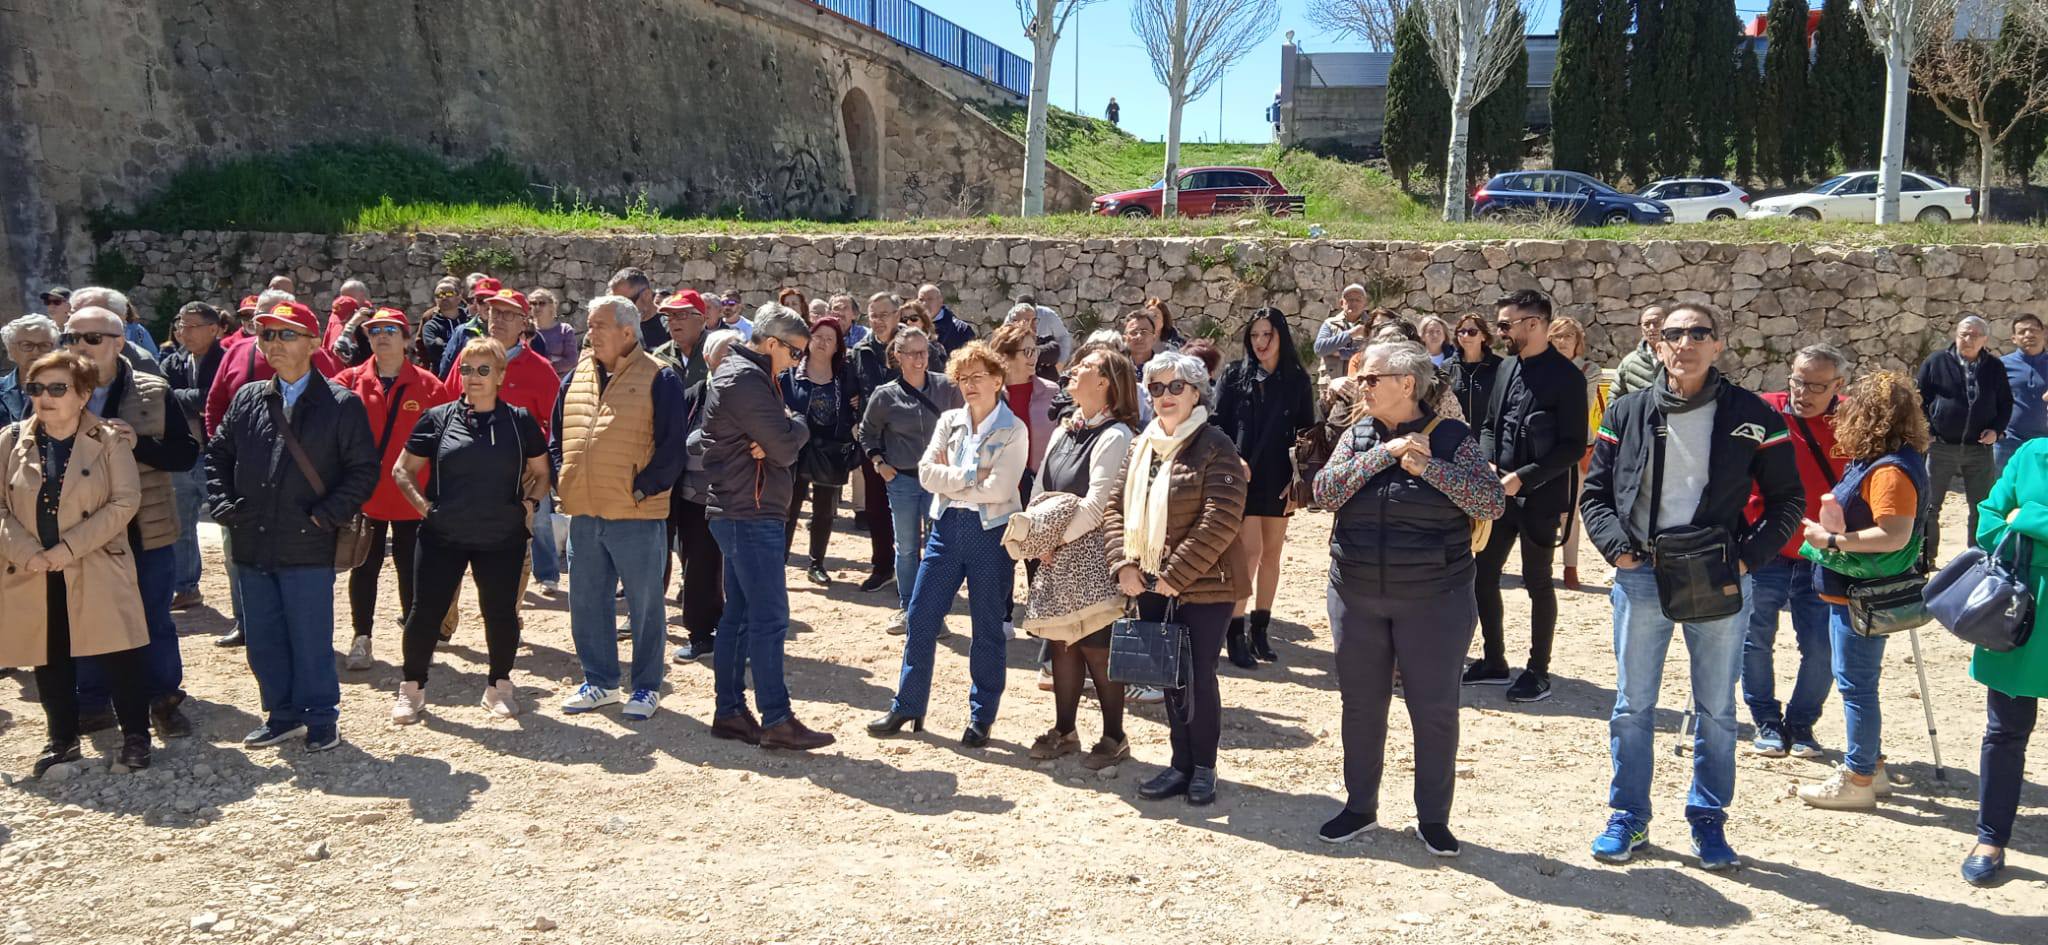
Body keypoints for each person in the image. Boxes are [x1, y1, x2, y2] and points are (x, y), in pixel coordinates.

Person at [1581, 301, 1803, 871]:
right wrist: (1617, 549)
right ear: (1657, 346)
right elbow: (1595, 493)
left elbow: (1788, 501)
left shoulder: (1753, 414)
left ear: (1718, 344)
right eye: (1674, 334)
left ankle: (1708, 818)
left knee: (1717, 710)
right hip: (1643, 577)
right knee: (1633, 706)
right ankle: (1628, 816)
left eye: (1699, 333)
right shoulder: (1627, 411)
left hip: (1718, 577)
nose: (1686, 343)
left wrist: (1746, 561)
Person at [1313, 341, 1506, 855]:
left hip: (1435, 599)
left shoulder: (1453, 438)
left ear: (1407, 384)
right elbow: (1324, 492)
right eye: (1361, 378)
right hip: (1356, 595)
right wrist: (1384, 454)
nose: (1362, 386)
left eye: (1372, 378)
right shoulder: (1358, 434)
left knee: (1434, 709)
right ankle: (1360, 807)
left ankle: (1434, 818)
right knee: (1361, 706)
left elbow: (1491, 501)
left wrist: (1429, 469)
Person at [206, 301, 378, 752]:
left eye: (287, 334)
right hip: (252, 539)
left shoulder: (341, 404)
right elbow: (218, 454)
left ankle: (321, 717)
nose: (274, 344)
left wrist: (325, 515)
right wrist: (222, 504)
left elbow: (363, 471)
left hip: (307, 543)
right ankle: (281, 715)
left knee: (309, 637)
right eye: (267, 335)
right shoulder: (248, 397)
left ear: (314, 342)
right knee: (263, 638)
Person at [0, 351, 156, 774]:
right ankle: (61, 739)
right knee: (48, 656)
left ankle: (136, 738)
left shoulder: (109, 439)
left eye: (57, 388)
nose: (44, 398)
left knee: (119, 652)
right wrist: (27, 553)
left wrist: (67, 550)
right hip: (34, 569)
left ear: (84, 394)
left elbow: (125, 502)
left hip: (95, 562)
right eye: (35, 388)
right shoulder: (11, 440)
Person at [868, 341, 1029, 746]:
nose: (969, 385)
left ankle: (981, 715)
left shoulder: (1014, 428)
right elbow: (925, 474)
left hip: (990, 535)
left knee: (987, 628)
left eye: (978, 377)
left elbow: (1001, 488)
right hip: (945, 528)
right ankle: (908, 704)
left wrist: (952, 479)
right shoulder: (950, 420)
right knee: (920, 617)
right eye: (962, 378)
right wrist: (972, 476)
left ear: (997, 380)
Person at [1104, 351, 1248, 805]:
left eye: (1176, 387)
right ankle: (1179, 764)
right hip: (1149, 582)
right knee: (1168, 674)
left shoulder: (1215, 444)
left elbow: (1222, 517)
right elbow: (1115, 508)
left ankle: (1203, 767)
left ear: (1196, 392)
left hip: (1206, 585)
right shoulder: (1140, 446)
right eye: (1156, 388)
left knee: (1197, 675)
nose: (1165, 396)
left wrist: (1176, 573)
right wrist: (1123, 564)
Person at [388, 338, 552, 722]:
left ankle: (499, 687)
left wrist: (529, 506)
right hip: (443, 536)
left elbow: (543, 473)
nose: (473, 377)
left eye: (483, 370)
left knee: (500, 614)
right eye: (466, 369)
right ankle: (412, 689)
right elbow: (402, 470)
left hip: (501, 538)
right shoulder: (437, 419)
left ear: (500, 376)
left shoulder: (520, 422)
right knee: (424, 613)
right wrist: (426, 510)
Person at [695, 303, 835, 750]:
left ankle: (731, 712)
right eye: (794, 353)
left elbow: (784, 438)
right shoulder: (746, 379)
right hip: (749, 512)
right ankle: (775, 718)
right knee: (770, 618)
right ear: (771, 343)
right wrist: (793, 428)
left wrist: (790, 426)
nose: (797, 362)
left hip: (745, 509)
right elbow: (786, 448)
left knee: (739, 617)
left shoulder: (750, 375)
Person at [63, 307, 200, 739]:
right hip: (81, 529)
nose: (80, 346)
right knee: (85, 614)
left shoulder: (154, 391)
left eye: (91, 338)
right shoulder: (56, 389)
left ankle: (163, 702)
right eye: (71, 338)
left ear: (119, 341)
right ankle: (93, 703)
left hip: (146, 528)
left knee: (153, 618)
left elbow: (185, 454)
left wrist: (138, 444)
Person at [1794, 369, 1928, 810]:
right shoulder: (1887, 460)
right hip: (1858, 592)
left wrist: (1831, 540)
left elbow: (1894, 534)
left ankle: (1859, 778)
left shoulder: (1889, 470)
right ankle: (1873, 765)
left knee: (1857, 686)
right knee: (1858, 682)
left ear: (1867, 416)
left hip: (1861, 595)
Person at [552, 296, 688, 721]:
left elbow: (672, 447)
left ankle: (646, 687)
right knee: (587, 601)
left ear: (628, 332)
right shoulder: (576, 376)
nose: (590, 333)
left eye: (600, 325)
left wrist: (642, 489)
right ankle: (600, 682)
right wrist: (562, 477)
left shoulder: (660, 376)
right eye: (590, 325)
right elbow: (557, 435)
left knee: (645, 606)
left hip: (636, 514)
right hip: (585, 511)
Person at [1017, 348, 1139, 768]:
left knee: (1097, 647)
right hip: (1054, 553)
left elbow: (1098, 504)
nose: (1074, 370)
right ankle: (1065, 730)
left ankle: (1114, 736)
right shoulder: (1063, 430)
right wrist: (1039, 539)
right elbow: (1039, 489)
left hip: (1093, 553)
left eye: (1086, 366)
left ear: (1104, 382)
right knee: (1062, 641)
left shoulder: (1116, 436)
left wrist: (1051, 539)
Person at [1468, 290, 1588, 703]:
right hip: (1498, 494)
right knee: (1482, 573)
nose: (1500, 332)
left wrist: (1524, 478)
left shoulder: (1568, 378)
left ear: (1534, 324)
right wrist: (1487, 462)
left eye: (1505, 324)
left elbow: (1572, 446)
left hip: (1539, 496)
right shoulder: (1505, 368)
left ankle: (1538, 671)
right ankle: (1494, 660)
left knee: (1538, 581)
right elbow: (1489, 424)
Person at [1741, 344, 1850, 759]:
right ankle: (1765, 720)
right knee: (1754, 639)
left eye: (1817, 386)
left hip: (1823, 553)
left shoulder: (1853, 422)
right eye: (1798, 382)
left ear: (1838, 385)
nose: (1803, 393)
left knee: (1821, 647)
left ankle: (1802, 723)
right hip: (1766, 546)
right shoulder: (1764, 411)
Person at [334, 308, 457, 671]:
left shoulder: (429, 386)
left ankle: (417, 639)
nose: (382, 336)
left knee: (413, 571)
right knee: (363, 568)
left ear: (406, 338)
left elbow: (447, 443)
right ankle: (361, 638)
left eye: (390, 330)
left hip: (412, 497)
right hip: (365, 497)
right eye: (375, 331)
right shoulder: (348, 381)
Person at [1964, 433, 2048, 887]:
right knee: (2004, 731)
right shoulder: (2032, 453)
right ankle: (1990, 838)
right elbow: (1988, 521)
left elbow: (2012, 520)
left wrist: (2028, 519)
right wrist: (2017, 529)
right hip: (2021, 612)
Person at [1215, 307, 1317, 668]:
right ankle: (1234, 630)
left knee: (1272, 554)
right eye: (1254, 335)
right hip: (1241, 476)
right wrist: (1233, 458)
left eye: (1267, 334)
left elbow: (1307, 433)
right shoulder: (1234, 375)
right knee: (1250, 553)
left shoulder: (1297, 380)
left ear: (1281, 336)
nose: (1260, 342)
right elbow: (1217, 423)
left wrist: (1298, 481)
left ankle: (1260, 629)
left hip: (1279, 478)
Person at [860, 326, 963, 632]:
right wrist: (879, 463)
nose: (920, 359)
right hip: (902, 481)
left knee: (937, 548)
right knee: (906, 547)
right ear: (898, 356)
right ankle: (908, 608)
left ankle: (934, 613)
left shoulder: (947, 387)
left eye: (924, 352)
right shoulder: (884, 395)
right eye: (913, 353)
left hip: (939, 481)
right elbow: (867, 433)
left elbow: (965, 424)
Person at [467, 289, 564, 597]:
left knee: (538, 521)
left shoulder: (539, 368)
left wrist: (542, 459)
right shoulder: (468, 359)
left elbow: (556, 419)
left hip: (525, 466)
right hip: (477, 463)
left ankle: (546, 572)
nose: (498, 320)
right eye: (494, 312)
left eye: (508, 314)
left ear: (524, 322)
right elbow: (448, 401)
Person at [668, 329, 741, 663]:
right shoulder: (693, 395)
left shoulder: (752, 394)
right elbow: (681, 442)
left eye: (738, 353)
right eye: (726, 353)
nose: (732, 360)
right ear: (708, 358)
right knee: (697, 568)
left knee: (738, 571)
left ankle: (738, 635)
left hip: (738, 497)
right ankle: (700, 635)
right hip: (694, 499)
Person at [1918, 314, 2011, 568]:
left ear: (1984, 340)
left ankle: (1977, 559)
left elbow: (2005, 403)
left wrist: (1996, 430)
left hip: (1979, 448)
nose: (1968, 339)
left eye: (1974, 335)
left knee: (1981, 506)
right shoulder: (1936, 361)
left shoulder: (1994, 367)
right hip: (1940, 446)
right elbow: (1919, 397)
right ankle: (1926, 559)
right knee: (1929, 506)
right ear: (1956, 336)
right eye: (1964, 334)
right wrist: (1926, 429)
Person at [780, 315, 859, 586]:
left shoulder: (846, 376)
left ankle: (817, 564)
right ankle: (779, 560)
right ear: (808, 339)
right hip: (795, 448)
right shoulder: (790, 374)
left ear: (838, 346)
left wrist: (857, 404)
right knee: (789, 508)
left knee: (824, 511)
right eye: (818, 336)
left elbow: (857, 404)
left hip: (830, 451)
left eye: (830, 339)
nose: (823, 342)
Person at [161, 303, 225, 610]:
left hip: (217, 454)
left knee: (230, 528)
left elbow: (213, 399)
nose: (183, 332)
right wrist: (195, 400)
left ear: (213, 329)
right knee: (181, 525)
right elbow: (161, 397)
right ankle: (185, 587)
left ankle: (243, 601)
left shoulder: (225, 360)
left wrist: (187, 399)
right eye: (180, 325)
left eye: (191, 326)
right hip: (182, 454)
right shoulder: (173, 361)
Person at [848, 292, 903, 592]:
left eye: (884, 314)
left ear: (897, 315)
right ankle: (882, 567)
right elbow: (852, 386)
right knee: (877, 507)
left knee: (910, 508)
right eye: (873, 315)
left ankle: (911, 569)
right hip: (873, 441)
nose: (878, 321)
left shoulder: (912, 346)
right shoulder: (861, 349)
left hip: (908, 439)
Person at [1547, 316, 1606, 590]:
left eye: (1568, 336)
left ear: (1577, 341)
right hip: (1545, 447)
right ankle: (1541, 565)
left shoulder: (1588, 370)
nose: (1562, 341)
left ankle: (1570, 567)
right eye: (1557, 336)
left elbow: (1581, 406)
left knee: (1570, 510)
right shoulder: (1539, 367)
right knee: (1541, 509)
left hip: (1576, 447)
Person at [1446, 314, 1501, 433]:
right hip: (1456, 437)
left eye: (1472, 332)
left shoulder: (1499, 367)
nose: (1466, 336)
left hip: (1490, 437)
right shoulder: (1446, 367)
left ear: (1483, 336)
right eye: (1462, 332)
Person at [1, 314, 59, 427]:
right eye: (27, 345)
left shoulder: (68, 390)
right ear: (10, 350)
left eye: (44, 345)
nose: (36, 352)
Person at [651, 290, 712, 390]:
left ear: (701, 319)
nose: (673, 321)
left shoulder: (719, 351)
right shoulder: (661, 355)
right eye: (669, 316)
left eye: (681, 314)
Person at [1314, 284, 1373, 379]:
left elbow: (1375, 352)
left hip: (1361, 382)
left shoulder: (1372, 326)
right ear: (1342, 303)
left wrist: (1342, 353)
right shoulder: (1330, 323)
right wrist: (1350, 334)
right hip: (1332, 383)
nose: (1353, 303)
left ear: (1365, 304)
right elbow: (1319, 349)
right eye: (1349, 300)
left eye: (1358, 300)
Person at [1609, 305, 1667, 399]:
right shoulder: (1629, 363)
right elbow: (1614, 398)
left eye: (1656, 323)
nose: (1652, 328)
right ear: (1641, 329)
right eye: (1646, 324)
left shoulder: (1681, 358)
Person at [607, 267, 668, 352]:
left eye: (626, 302)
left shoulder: (671, 327)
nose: (620, 310)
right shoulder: (617, 327)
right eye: (615, 304)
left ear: (646, 295)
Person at [419, 277, 468, 373]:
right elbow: (435, 351)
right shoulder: (430, 327)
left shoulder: (470, 321)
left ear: (459, 297)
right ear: (435, 300)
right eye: (440, 295)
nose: (444, 297)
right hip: (442, 376)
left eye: (449, 293)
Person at [530, 288, 579, 380]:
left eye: (541, 303)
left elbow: (571, 361)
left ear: (551, 306)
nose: (537, 307)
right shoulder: (527, 330)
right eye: (533, 303)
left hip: (558, 382)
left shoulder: (565, 330)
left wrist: (546, 367)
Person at [917, 283, 976, 353]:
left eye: (930, 299)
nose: (924, 304)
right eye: (921, 300)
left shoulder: (961, 330)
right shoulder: (911, 326)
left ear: (940, 300)